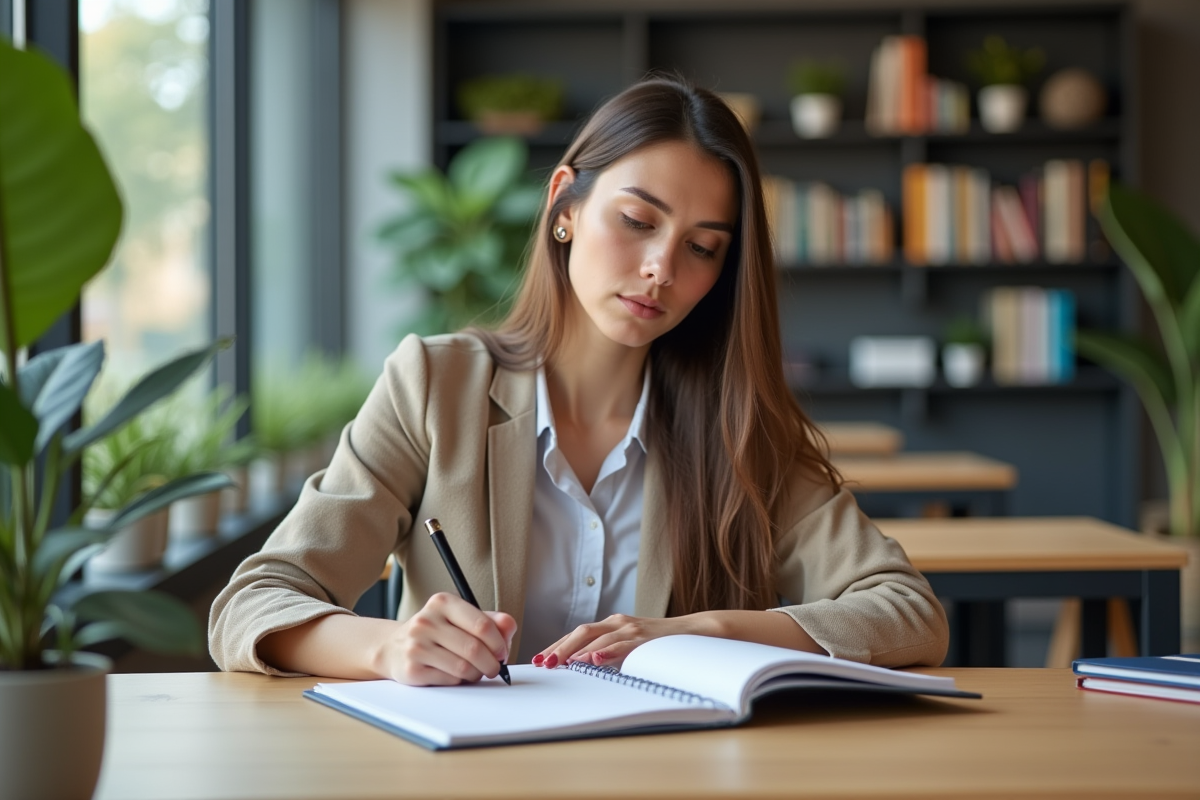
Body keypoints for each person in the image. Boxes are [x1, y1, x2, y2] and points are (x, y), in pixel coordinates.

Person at [209, 75, 948, 686]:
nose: (662, 268)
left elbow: (909, 612)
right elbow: (253, 603)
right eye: (637, 220)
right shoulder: (434, 385)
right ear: (566, 204)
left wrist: (708, 631)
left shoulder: (738, 422)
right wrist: (385, 649)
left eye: (703, 247)